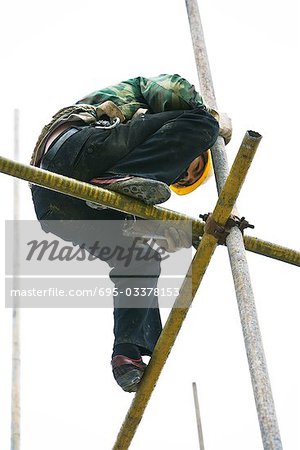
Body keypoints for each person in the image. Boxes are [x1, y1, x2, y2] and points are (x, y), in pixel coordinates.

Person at [30, 74, 230, 392]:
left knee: (140, 258)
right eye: (192, 165)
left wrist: (191, 234)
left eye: (184, 178)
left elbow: (137, 224)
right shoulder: (140, 95)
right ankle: (114, 178)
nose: (183, 170)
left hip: (55, 208)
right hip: (78, 150)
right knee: (203, 124)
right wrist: (211, 119)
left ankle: (128, 354)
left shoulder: (135, 184)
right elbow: (170, 89)